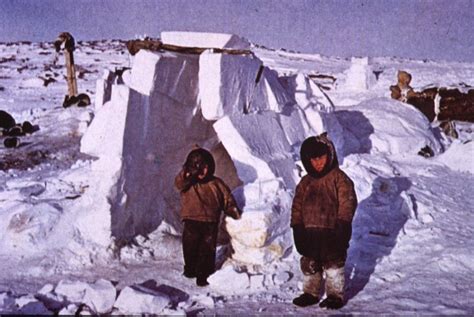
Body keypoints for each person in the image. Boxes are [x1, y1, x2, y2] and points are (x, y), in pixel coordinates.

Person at [291, 134, 358, 309]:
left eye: (321, 158)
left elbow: (347, 202)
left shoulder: (339, 178)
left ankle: (335, 295)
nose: (317, 163)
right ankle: (310, 292)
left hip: (333, 230)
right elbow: (297, 205)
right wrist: (297, 227)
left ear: (330, 155)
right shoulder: (305, 182)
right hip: (309, 231)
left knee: (333, 263)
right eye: (313, 160)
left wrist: (343, 225)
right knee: (310, 263)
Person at [175, 147, 241, 287]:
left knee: (207, 248)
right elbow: (179, 183)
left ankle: (204, 274)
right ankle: (190, 269)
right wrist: (187, 174)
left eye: (206, 167)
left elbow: (226, 197)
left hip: (210, 222)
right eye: (198, 168)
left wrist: (231, 208)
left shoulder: (216, 183)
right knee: (190, 246)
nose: (203, 172)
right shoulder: (189, 183)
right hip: (191, 221)